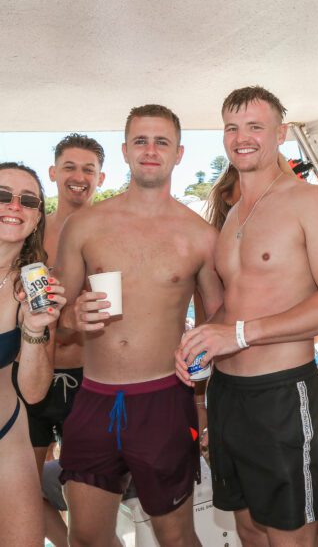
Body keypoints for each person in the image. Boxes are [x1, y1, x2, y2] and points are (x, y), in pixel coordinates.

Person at [176, 86, 318, 547]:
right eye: (232, 128)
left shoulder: (309, 202)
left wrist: (239, 334)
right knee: (247, 525)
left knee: (288, 532)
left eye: (256, 126)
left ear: (280, 133)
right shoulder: (233, 215)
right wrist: (198, 343)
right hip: (226, 394)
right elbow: (227, 308)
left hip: (280, 393)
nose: (243, 137)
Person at [55, 105, 223, 547]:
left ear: (179, 153)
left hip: (165, 401)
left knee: (177, 538)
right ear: (125, 150)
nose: (151, 150)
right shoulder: (84, 225)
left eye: (162, 141)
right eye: (141, 141)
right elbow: (55, 312)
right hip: (94, 398)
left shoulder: (201, 236)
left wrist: (203, 401)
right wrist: (71, 315)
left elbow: (216, 322)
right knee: (86, 539)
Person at [12, 133, 105, 546]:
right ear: (53, 173)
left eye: (88, 169)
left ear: (101, 177)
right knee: (24, 491)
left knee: (88, 497)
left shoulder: (108, 233)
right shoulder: (29, 233)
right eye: (69, 166)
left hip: (89, 379)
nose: (78, 176)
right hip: (29, 378)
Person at [0, 162, 65, 546]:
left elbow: (36, 390)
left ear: (37, 217)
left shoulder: (35, 285)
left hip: (8, 436)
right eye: (3, 195)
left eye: (28, 201)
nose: (14, 206)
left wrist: (37, 329)